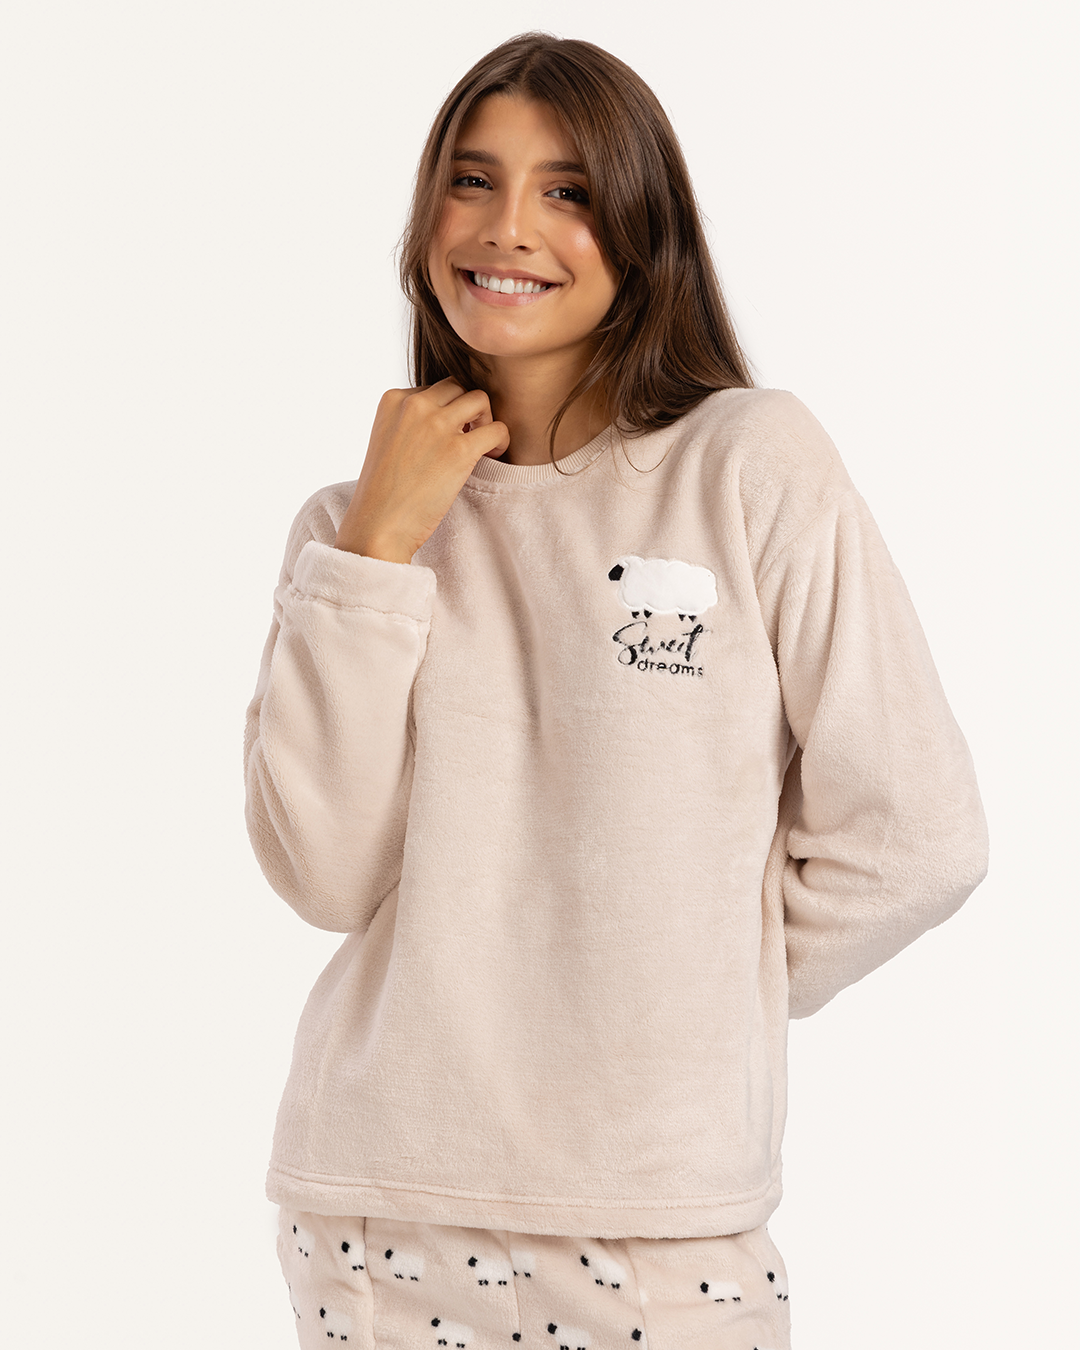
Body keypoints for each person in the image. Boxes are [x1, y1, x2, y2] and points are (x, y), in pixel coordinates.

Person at [244, 32, 988, 1350]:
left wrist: (680, 987)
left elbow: (917, 834)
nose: (508, 227)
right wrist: (375, 551)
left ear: (643, 229)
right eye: (472, 180)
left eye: (569, 191)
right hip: (369, 1209)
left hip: (659, 1226)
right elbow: (326, 875)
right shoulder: (350, 527)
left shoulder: (748, 463)